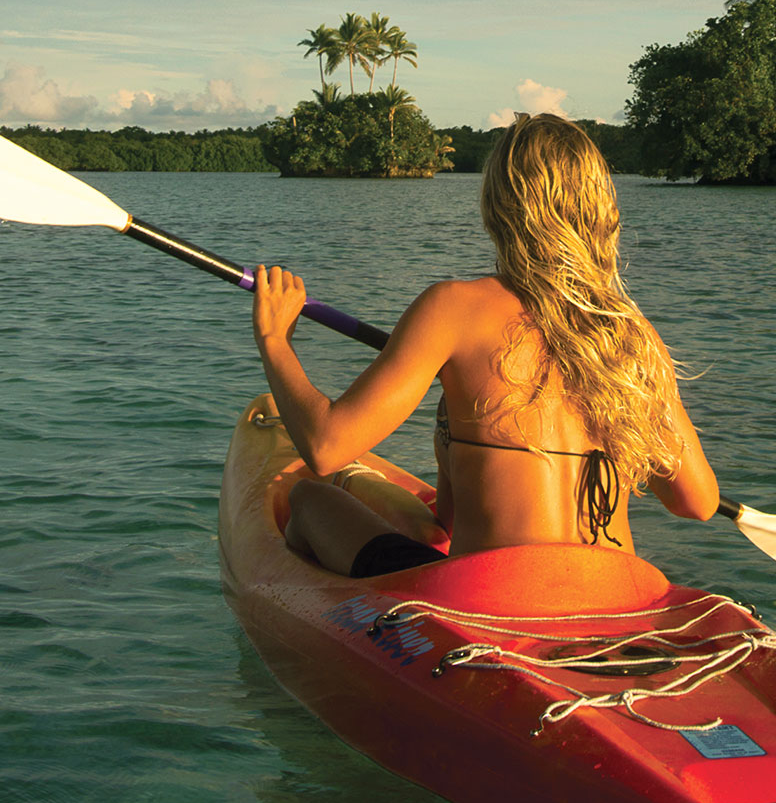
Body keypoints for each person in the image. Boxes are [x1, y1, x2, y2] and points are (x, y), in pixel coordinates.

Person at [252, 112, 720, 577]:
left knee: (308, 499)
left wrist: (276, 340)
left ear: (498, 208)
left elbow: (327, 446)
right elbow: (698, 502)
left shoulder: (453, 308)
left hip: (492, 602)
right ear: (602, 212)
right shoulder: (631, 334)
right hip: (616, 593)